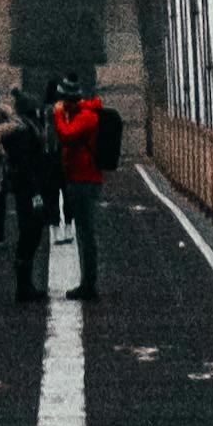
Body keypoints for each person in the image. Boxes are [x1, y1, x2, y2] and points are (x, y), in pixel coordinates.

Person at [49, 78, 123, 304]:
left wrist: (58, 116)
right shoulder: (83, 114)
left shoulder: (86, 117)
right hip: (80, 178)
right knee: (84, 232)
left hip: (84, 179)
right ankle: (87, 282)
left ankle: (88, 284)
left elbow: (67, 135)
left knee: (86, 233)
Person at [0, 78, 60, 308]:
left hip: (27, 188)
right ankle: (24, 286)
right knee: (30, 233)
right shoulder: (24, 133)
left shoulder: (23, 129)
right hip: (29, 190)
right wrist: (36, 194)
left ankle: (25, 283)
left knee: (30, 233)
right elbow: (27, 166)